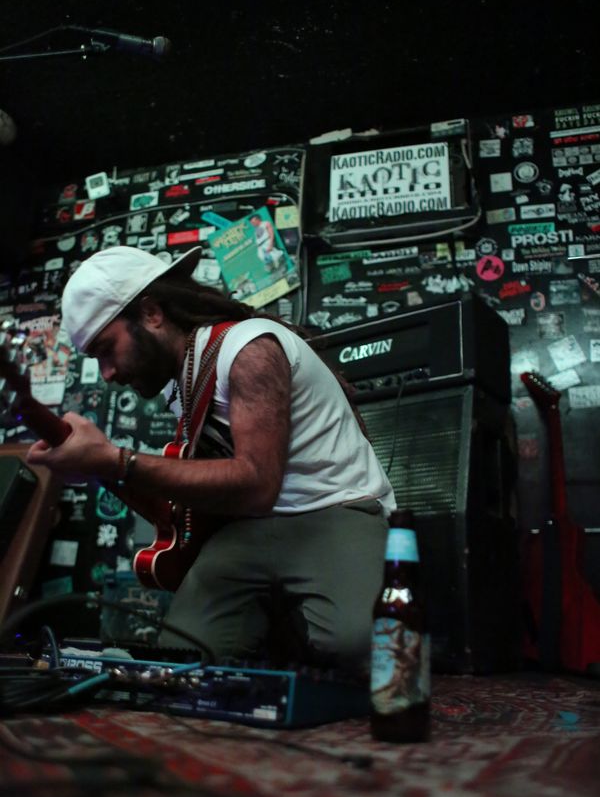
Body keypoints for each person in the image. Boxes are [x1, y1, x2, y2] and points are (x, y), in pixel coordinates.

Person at [27, 246, 396, 671]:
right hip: (250, 527)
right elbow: (174, 507)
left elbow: (257, 483)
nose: (107, 373)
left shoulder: (249, 349)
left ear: (151, 313)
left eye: (107, 349)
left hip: (335, 507)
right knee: (183, 658)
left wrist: (115, 459)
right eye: (97, 360)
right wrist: (100, 469)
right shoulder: (181, 382)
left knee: (364, 649)